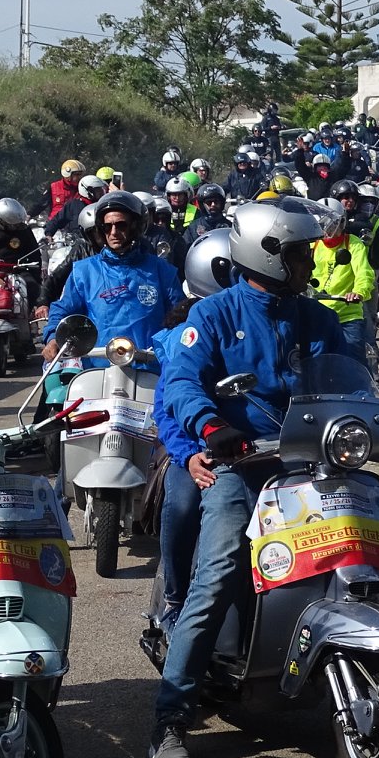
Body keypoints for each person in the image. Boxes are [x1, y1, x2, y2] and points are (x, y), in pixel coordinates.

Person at [148, 199, 346, 758]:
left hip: (311, 460)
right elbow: (181, 384)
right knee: (216, 576)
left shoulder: (319, 319)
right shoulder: (211, 316)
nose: (310, 261)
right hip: (240, 463)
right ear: (268, 254)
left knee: (365, 550)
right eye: (300, 252)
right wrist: (212, 427)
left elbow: (348, 382)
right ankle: (170, 717)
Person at [154, 231, 234, 632]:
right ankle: (175, 598)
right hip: (194, 450)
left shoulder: (270, 318)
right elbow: (166, 407)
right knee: (182, 506)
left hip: (257, 446)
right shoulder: (183, 335)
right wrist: (188, 456)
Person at [42, 191, 180, 357]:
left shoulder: (162, 270)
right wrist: (53, 337)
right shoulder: (84, 272)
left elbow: (179, 318)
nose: (113, 232)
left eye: (121, 225)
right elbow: (63, 309)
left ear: (135, 226)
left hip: (150, 364)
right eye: (107, 226)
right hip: (98, 365)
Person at [310, 200, 376, 362]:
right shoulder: (312, 245)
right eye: (323, 224)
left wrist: (358, 292)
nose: (328, 229)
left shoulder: (352, 243)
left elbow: (364, 273)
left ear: (342, 222)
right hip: (318, 314)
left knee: (355, 360)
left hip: (348, 315)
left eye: (332, 224)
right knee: (313, 362)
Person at [143, 193, 189, 274]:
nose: (160, 223)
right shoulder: (139, 237)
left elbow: (181, 266)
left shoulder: (177, 240)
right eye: (156, 219)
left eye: (164, 219)